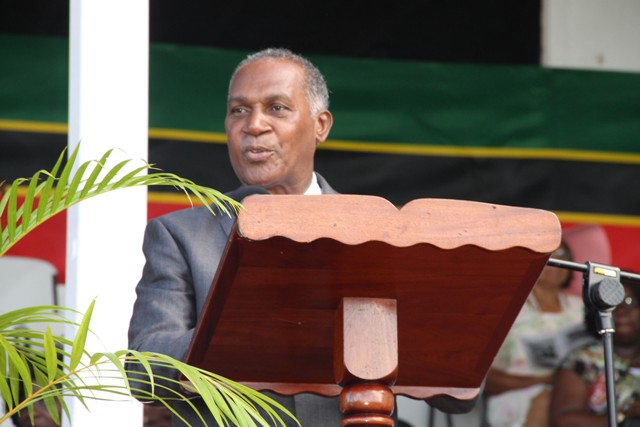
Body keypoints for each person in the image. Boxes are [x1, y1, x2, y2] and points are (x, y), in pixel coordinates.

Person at [127, 48, 343, 426]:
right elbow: (145, 371)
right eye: (239, 110)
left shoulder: (377, 228)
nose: (254, 125)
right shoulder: (180, 235)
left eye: (277, 108)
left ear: (320, 125)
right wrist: (237, 332)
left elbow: (454, 386)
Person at [484, 240, 590, 427]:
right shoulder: (509, 310)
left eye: (563, 255)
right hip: (519, 394)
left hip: (577, 393)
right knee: (546, 397)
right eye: (550, 256)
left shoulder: (583, 309)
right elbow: (485, 378)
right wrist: (544, 381)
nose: (558, 261)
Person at [549, 277, 640, 426]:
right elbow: (564, 421)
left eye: (629, 302)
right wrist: (625, 415)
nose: (621, 311)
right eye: (612, 304)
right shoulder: (583, 360)